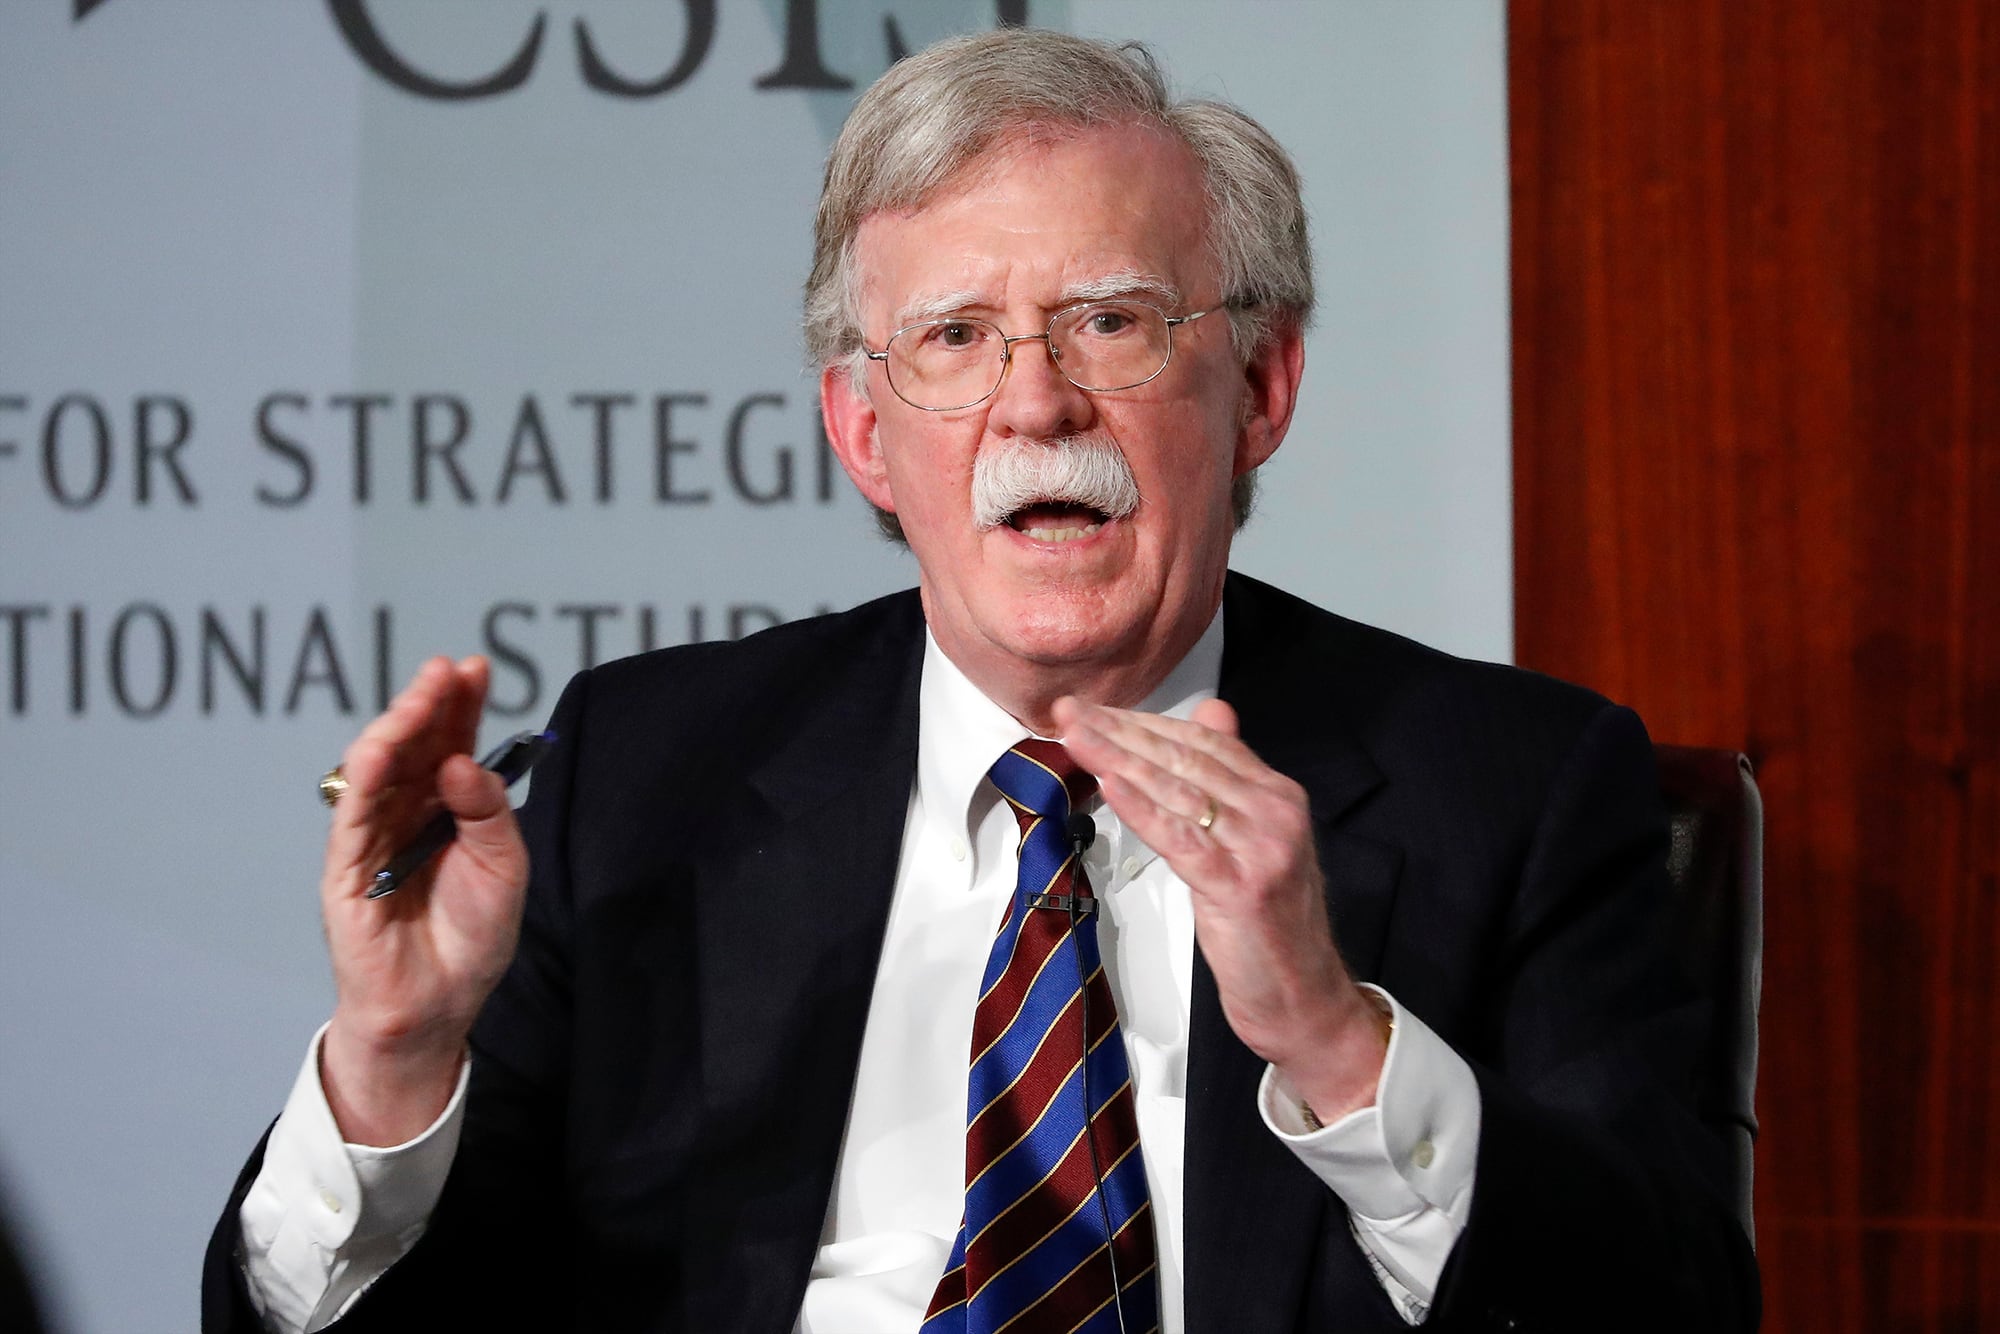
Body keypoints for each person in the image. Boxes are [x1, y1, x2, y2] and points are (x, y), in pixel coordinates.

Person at [204, 28, 1759, 1334]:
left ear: (1264, 384)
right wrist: (394, 1069)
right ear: (864, 430)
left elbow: (1671, 1303)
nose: (1034, 400)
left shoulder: (1514, 786)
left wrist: (1336, 1041)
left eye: (1113, 320)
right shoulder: (650, 775)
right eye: (952, 337)